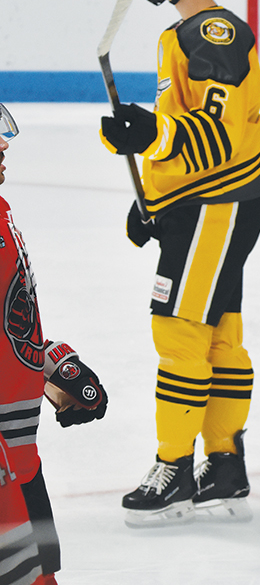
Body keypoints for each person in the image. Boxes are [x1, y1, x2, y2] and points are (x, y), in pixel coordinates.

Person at [99, 0, 260, 526]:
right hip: (209, 204)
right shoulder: (187, 32)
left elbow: (220, 133)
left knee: (180, 329)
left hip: (219, 203)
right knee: (218, 332)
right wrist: (157, 201)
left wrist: (154, 134)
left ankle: (175, 468)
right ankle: (225, 467)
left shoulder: (212, 30)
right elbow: (195, 139)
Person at [0, 102, 109, 584]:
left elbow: (12, 321)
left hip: (21, 458)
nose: (4, 143)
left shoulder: (1, 211)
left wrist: (49, 363)